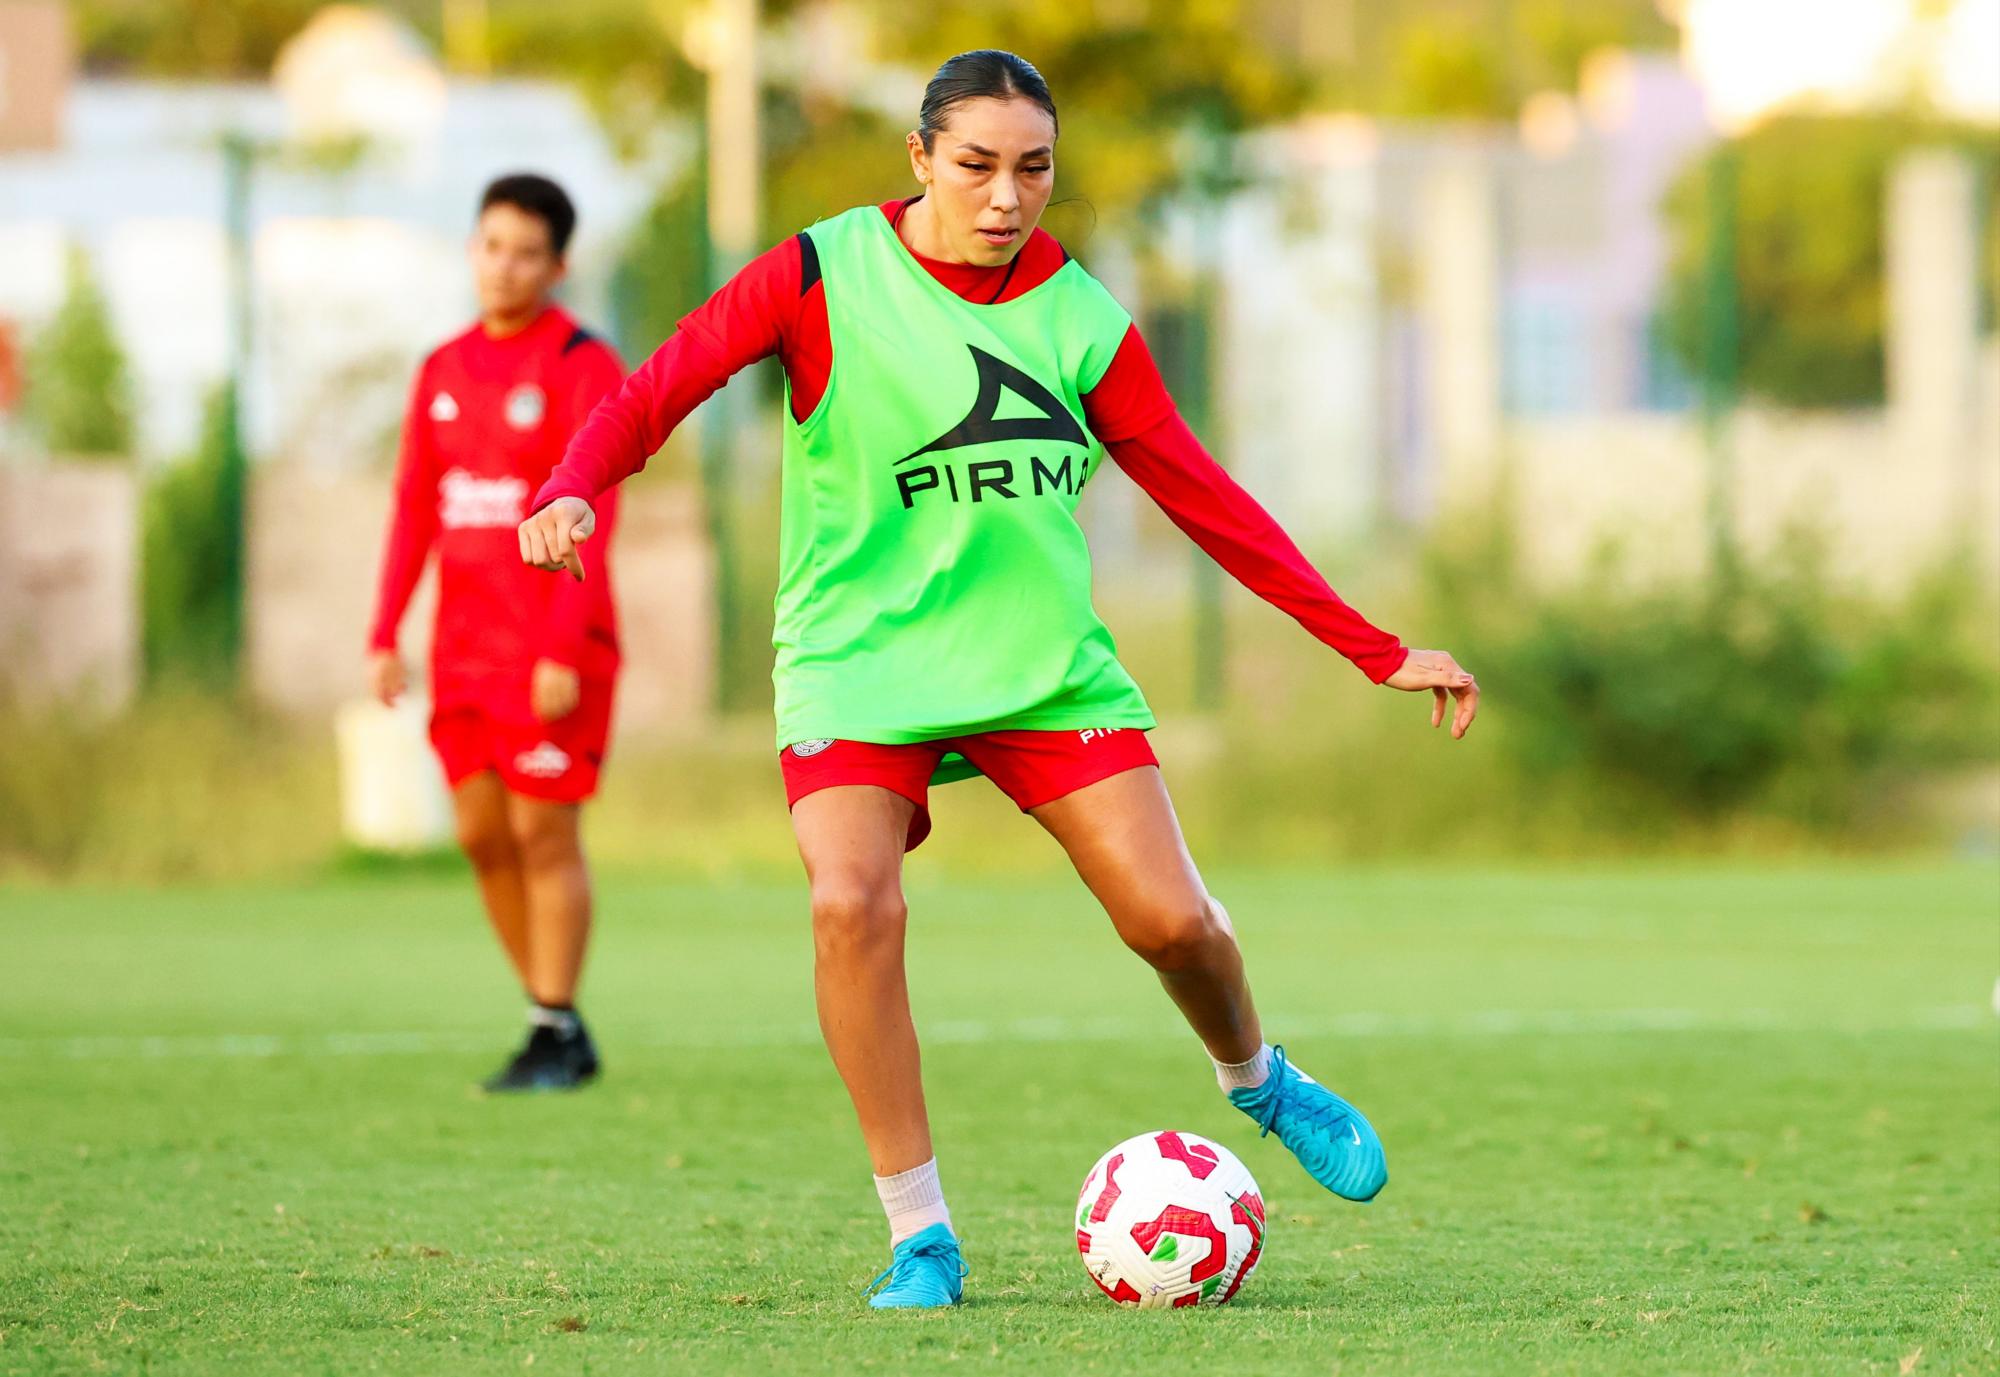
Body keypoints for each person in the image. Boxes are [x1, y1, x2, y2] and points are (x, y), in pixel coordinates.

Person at [519, 51, 1478, 1305]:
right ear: (918, 158)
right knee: (848, 906)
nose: (1004, 196)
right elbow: (653, 391)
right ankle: (919, 1233)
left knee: (1173, 923)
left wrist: (1372, 647)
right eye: (974, 166)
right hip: (858, 664)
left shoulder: (1079, 315)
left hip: (1040, 672)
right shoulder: (815, 276)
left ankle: (1259, 1081)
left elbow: (1206, 500)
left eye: (1032, 170)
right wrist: (569, 487)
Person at [369, 173, 626, 1093]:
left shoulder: (581, 365)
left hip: (552, 647)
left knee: (543, 833)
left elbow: (600, 512)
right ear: (472, 249)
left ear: (557, 265)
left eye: (525, 252)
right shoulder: (441, 369)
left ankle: (552, 1022)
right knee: (481, 834)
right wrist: (384, 631)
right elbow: (414, 509)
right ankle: (552, 1017)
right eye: (490, 246)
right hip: (463, 650)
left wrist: (562, 645)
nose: (503, 266)